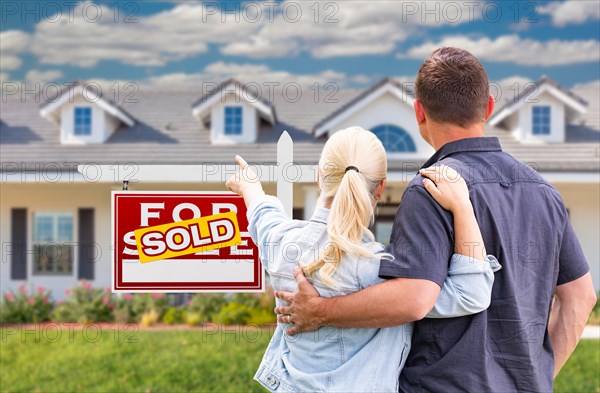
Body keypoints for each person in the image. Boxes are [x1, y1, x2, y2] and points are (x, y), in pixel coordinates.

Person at [272, 48, 597, 392]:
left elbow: (413, 298)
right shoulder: (544, 193)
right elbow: (580, 296)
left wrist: (321, 311)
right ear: (488, 107)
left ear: (419, 111)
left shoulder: (429, 189)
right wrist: (536, 377)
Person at [226, 126, 501, 392]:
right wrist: (462, 207)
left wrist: (250, 187)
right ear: (380, 188)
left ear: (319, 177)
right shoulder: (383, 271)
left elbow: (263, 215)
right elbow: (470, 293)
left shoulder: (281, 243)